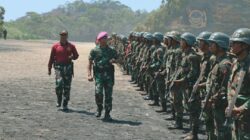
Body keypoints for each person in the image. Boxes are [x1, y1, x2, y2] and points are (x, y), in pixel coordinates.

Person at [88, 31, 117, 121]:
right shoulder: (94, 50)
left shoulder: (112, 50)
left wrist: (114, 60)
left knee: (108, 95)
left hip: (109, 75)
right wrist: (89, 74)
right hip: (99, 75)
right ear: (99, 40)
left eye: (104, 39)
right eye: (101, 39)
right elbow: (90, 63)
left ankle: (107, 113)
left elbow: (119, 59)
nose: (103, 41)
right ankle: (99, 108)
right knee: (98, 93)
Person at [226, 28, 250, 140]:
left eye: (235, 43)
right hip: (235, 112)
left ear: (245, 45)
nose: (231, 45)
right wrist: (231, 103)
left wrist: (242, 108)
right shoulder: (236, 63)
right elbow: (230, 85)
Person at [48, 30, 79, 111]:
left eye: (65, 35)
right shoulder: (55, 46)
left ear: (67, 36)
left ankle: (65, 103)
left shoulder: (71, 46)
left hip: (68, 68)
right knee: (58, 85)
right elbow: (51, 58)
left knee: (67, 87)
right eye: (62, 35)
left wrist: (72, 57)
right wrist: (49, 68)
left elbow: (76, 56)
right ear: (60, 36)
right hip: (58, 68)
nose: (63, 36)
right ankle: (59, 99)